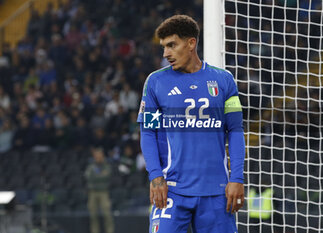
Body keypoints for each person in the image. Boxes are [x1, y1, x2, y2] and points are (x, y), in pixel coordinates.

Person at [137, 15, 245, 233]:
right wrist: (156, 176)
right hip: (172, 190)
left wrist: (237, 178)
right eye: (164, 47)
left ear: (191, 43)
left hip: (216, 191)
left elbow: (234, 130)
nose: (166, 54)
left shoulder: (224, 80)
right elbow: (148, 132)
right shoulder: (156, 82)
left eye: (171, 45)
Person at [85, 148, 114, 233]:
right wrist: (99, 177)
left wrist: (96, 177)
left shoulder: (107, 166)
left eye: (99, 155)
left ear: (102, 156)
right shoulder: (91, 166)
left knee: (107, 215)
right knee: (93, 216)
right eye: (96, 156)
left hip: (104, 192)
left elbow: (106, 176)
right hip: (92, 192)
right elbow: (88, 177)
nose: (98, 157)